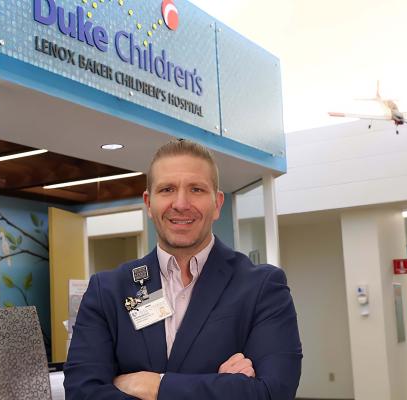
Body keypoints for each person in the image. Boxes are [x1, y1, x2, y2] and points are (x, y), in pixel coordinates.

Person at [64, 140, 302, 399]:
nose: (180, 203)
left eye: (196, 189)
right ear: (148, 203)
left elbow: (273, 392)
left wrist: (155, 386)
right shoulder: (107, 291)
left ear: (217, 204)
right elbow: (82, 393)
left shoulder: (262, 287)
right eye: (167, 189)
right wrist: (221, 387)